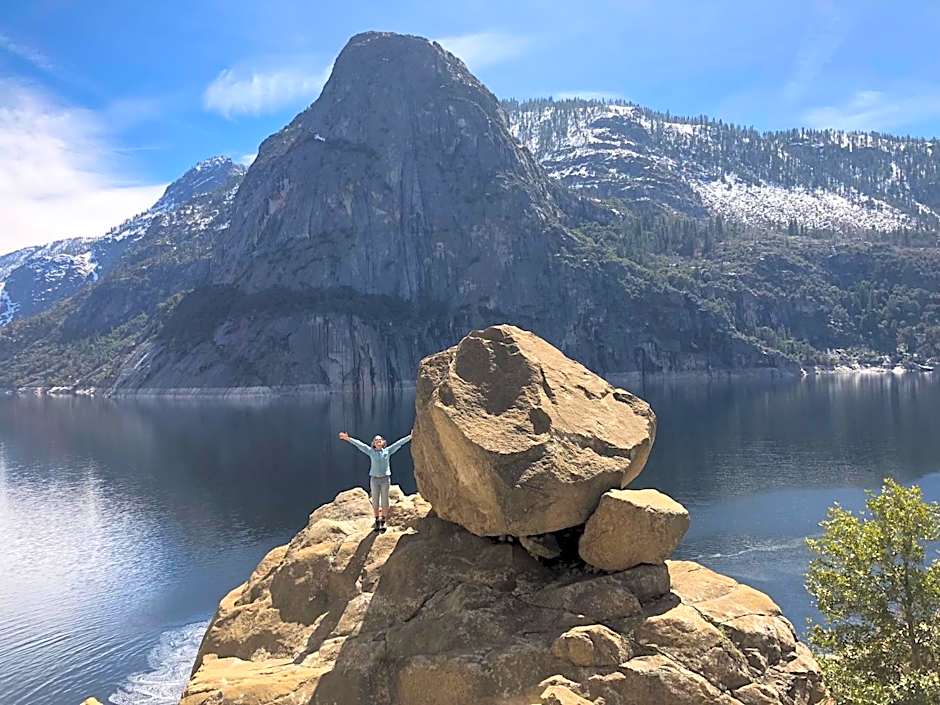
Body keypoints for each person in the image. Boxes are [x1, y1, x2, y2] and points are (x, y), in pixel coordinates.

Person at [338, 430, 412, 531]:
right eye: (376, 440)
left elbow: (399, 443)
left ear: (383, 442)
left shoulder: (388, 451)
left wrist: (410, 437)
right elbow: (360, 445)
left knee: (385, 501)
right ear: (373, 443)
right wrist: (348, 439)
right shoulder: (370, 451)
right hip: (374, 479)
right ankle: (377, 520)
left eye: (380, 440)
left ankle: (383, 521)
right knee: (375, 501)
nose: (378, 441)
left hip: (385, 479)